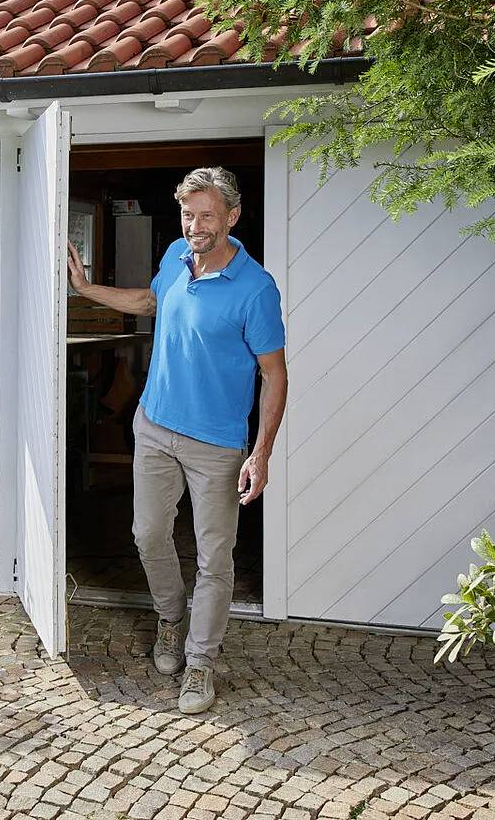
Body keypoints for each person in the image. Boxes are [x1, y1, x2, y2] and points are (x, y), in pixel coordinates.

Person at [66, 166, 287, 714]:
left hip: (216, 445)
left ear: (232, 218)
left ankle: (201, 662)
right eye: (189, 214)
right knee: (147, 535)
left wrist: (260, 453)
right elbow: (150, 301)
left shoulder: (255, 289)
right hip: (154, 427)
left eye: (207, 215)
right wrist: (87, 289)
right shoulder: (174, 257)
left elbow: (275, 376)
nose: (196, 225)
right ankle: (171, 618)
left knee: (215, 556)